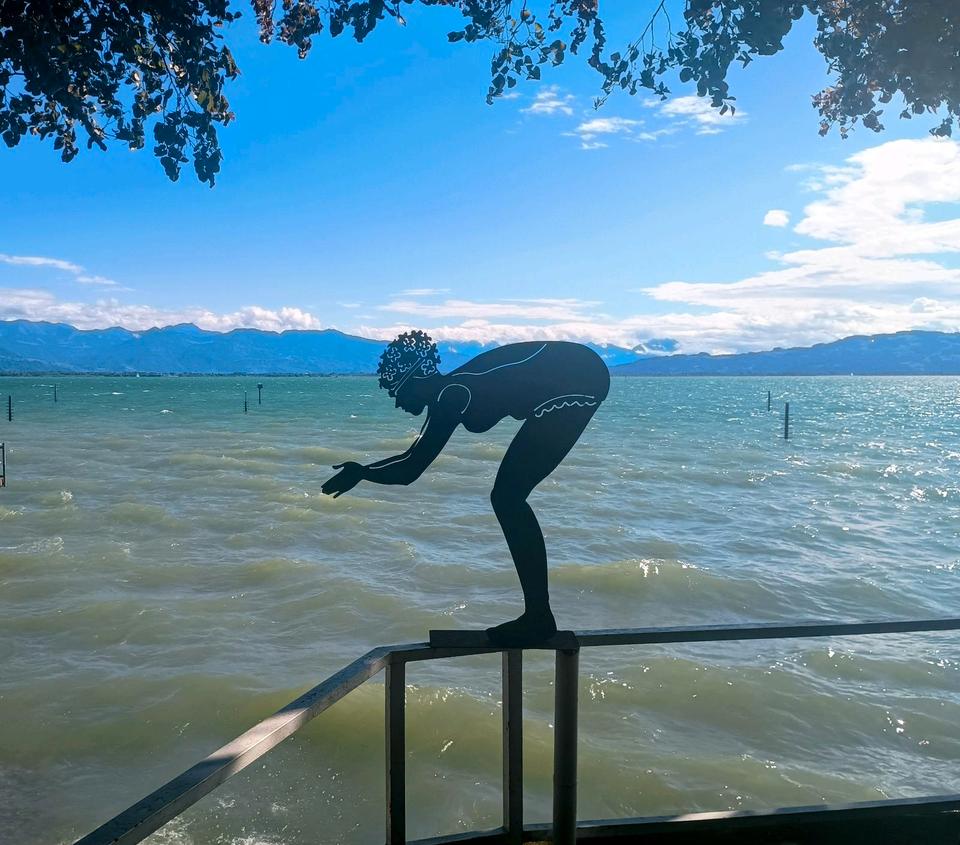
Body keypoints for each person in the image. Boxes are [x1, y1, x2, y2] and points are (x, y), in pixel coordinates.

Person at [322, 330, 609, 644]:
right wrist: (364, 472)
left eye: (395, 392)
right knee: (507, 497)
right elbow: (411, 461)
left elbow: (411, 468)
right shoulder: (449, 394)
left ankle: (539, 617)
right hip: (578, 373)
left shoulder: (452, 394)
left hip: (579, 378)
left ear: (413, 380)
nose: (396, 402)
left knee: (507, 498)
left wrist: (363, 473)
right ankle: (538, 615)